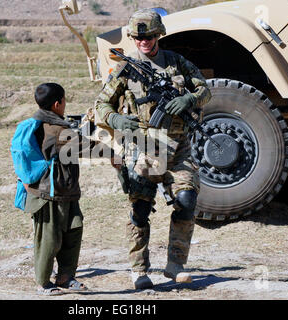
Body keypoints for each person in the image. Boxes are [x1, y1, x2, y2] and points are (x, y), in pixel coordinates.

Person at [94, 9, 212, 290]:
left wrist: (189, 100)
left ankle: (175, 265)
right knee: (140, 209)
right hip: (144, 147)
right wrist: (119, 120)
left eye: (148, 36)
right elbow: (101, 105)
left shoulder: (176, 62)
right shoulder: (127, 67)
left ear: (159, 35)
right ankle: (139, 270)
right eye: (138, 37)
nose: (143, 42)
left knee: (186, 200)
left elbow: (205, 90)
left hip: (179, 145)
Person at [19, 83, 88, 295]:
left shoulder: (54, 124)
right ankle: (43, 283)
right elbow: (86, 146)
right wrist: (115, 154)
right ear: (58, 104)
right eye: (64, 101)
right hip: (48, 193)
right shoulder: (55, 129)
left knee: (73, 230)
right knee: (48, 239)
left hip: (65, 191)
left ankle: (66, 277)